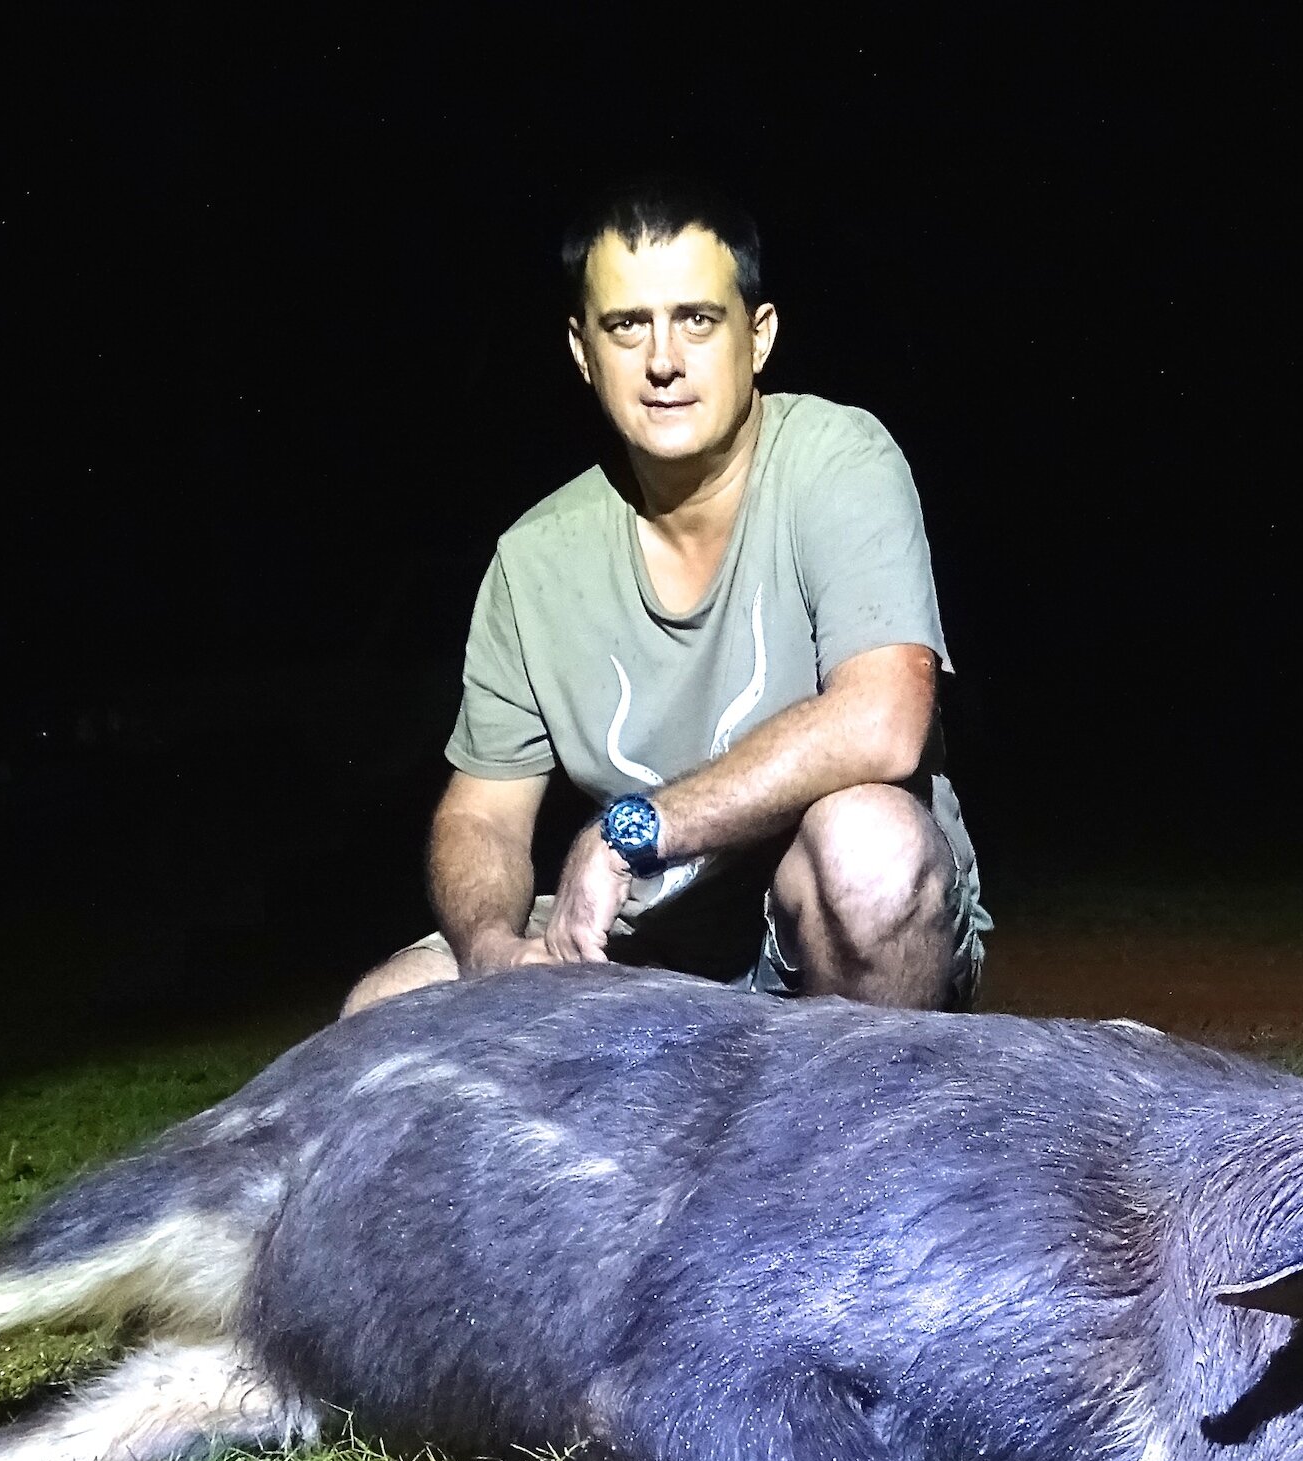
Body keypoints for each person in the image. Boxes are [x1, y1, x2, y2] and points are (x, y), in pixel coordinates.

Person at [343, 183, 985, 1017]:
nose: (662, 361)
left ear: (758, 338)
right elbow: (482, 817)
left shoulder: (838, 460)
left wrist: (630, 831)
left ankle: (864, 1135)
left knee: (869, 851)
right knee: (379, 1013)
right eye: (626, 325)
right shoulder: (532, 559)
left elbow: (885, 721)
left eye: (697, 319)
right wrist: (493, 949)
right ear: (582, 351)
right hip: (652, 946)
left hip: (811, 932)